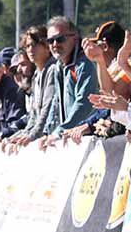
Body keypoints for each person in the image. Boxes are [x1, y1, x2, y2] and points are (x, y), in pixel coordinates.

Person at [39, 16, 99, 146]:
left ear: (75, 37)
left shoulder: (85, 64)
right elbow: (56, 102)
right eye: (50, 41)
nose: (55, 45)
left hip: (88, 139)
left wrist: (59, 132)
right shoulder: (58, 67)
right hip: (70, 137)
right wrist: (47, 132)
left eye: (60, 39)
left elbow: (84, 102)